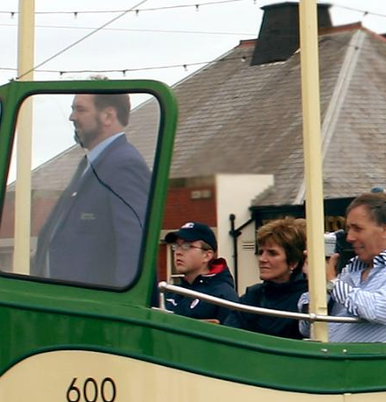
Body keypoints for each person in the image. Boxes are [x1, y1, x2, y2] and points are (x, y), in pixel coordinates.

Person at [32, 90, 151, 288]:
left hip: (94, 311)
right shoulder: (90, 165)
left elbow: (133, 248)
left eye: (80, 110)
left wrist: (122, 310)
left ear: (108, 116)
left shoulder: (124, 164)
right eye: (72, 109)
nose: (72, 117)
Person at [313, 192, 386, 343]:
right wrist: (316, 282)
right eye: (349, 229)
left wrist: (331, 282)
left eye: (357, 229)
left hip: (369, 363)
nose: (349, 237)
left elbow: (378, 310)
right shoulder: (350, 269)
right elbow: (306, 326)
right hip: (327, 357)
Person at [230, 217, 309, 338]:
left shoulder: (306, 298)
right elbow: (230, 333)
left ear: (293, 262)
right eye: (261, 252)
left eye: (272, 253)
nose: (262, 259)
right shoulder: (253, 295)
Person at [160, 220, 237, 322]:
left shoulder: (223, 295)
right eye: (176, 246)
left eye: (187, 246)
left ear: (207, 255)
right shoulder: (170, 293)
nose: (178, 252)